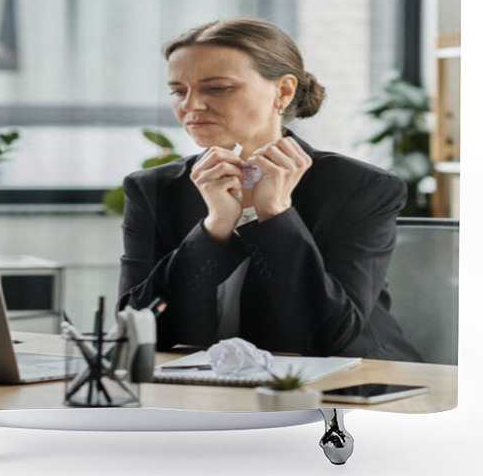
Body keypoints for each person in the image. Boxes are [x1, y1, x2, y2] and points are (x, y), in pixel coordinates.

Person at [117, 18, 422, 362]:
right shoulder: (152, 188)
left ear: (284, 91)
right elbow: (139, 327)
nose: (191, 105)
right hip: (210, 389)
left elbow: (330, 337)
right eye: (178, 90)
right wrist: (214, 228)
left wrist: (275, 214)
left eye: (217, 88)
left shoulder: (361, 188)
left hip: (346, 387)